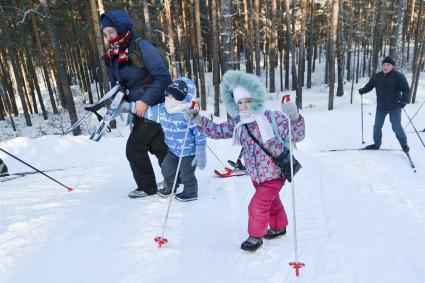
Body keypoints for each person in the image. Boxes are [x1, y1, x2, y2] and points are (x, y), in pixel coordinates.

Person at [184, 70, 305, 251]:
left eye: (248, 101)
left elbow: (297, 134)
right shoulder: (239, 123)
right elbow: (218, 131)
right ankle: (279, 226)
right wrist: (198, 119)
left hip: (275, 173)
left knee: (257, 205)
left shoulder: (272, 118)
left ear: (257, 98)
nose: (244, 106)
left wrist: (294, 117)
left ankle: (255, 237)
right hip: (257, 175)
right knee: (271, 201)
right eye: (240, 102)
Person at [100, 10, 171, 198]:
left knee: (135, 148)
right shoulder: (114, 54)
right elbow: (119, 84)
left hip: (154, 105)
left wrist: (145, 100)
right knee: (157, 145)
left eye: (112, 32)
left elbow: (163, 77)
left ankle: (148, 186)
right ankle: (176, 179)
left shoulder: (142, 46)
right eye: (106, 34)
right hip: (137, 109)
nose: (109, 37)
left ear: (122, 28)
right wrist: (119, 100)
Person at [156, 78, 206, 202]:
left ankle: (191, 192)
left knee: (186, 173)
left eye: (173, 96)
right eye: (167, 94)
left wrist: (200, 149)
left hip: (188, 151)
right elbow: (147, 111)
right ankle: (170, 185)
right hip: (173, 149)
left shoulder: (189, 113)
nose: (168, 98)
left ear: (181, 98)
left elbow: (200, 130)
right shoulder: (163, 110)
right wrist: (129, 106)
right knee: (166, 168)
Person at [359, 56, 411, 152]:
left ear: (392, 66)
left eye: (388, 65)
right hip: (381, 107)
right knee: (377, 126)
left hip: (395, 106)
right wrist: (363, 90)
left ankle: (404, 144)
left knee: (396, 126)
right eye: (384, 65)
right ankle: (376, 144)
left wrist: (404, 100)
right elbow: (369, 85)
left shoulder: (398, 76)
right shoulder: (377, 76)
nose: (385, 67)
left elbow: (406, 89)